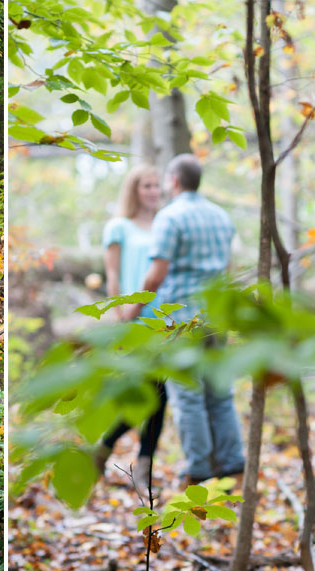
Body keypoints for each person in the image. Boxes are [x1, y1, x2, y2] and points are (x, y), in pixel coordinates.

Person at [126, 154, 245, 485]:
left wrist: (131, 313)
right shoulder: (221, 216)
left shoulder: (169, 217)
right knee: (220, 393)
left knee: (188, 397)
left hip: (181, 322)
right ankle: (233, 460)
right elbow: (228, 271)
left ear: (175, 181)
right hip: (216, 318)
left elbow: (155, 276)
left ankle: (200, 468)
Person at [94, 164, 168, 492]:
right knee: (147, 392)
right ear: (134, 190)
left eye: (157, 186)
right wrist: (120, 316)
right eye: (147, 186)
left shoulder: (166, 225)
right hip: (132, 319)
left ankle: (136, 461)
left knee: (160, 394)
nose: (153, 191)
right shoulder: (119, 227)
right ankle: (108, 446)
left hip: (166, 319)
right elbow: (112, 274)